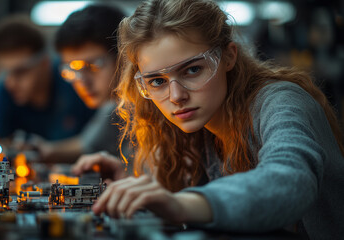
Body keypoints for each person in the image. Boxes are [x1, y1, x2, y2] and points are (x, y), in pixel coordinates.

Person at [71, 0, 344, 238]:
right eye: (157, 81)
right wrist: (128, 184)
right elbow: (173, 193)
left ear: (228, 56)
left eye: (192, 70)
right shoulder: (193, 128)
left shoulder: (280, 102)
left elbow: (290, 180)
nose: (176, 96)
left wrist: (183, 205)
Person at [37, 5, 132, 164]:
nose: (82, 82)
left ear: (125, 57)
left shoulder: (148, 105)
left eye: (93, 66)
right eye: (71, 68)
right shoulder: (114, 105)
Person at [0, 15, 94, 141]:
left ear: (45, 62)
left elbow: (99, 140)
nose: (10, 83)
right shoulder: (3, 92)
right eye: (4, 72)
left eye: (20, 72)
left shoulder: (75, 83)